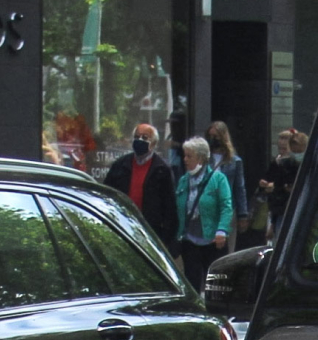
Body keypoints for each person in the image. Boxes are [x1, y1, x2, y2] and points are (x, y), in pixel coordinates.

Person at [101, 123, 179, 249]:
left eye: (145, 137)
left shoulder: (162, 170)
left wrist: (165, 242)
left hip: (150, 232)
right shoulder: (120, 165)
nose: (140, 140)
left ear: (153, 143)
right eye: (137, 137)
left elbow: (170, 208)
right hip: (122, 227)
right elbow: (106, 194)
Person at [173, 135, 232, 289]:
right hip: (189, 240)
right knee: (191, 281)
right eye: (184, 155)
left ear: (200, 158)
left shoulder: (218, 179)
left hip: (212, 240)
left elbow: (226, 206)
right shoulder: (183, 181)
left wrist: (222, 230)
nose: (185, 159)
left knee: (215, 284)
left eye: (189, 156)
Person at [258, 129, 305, 244]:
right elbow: (276, 194)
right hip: (281, 211)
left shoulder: (305, 164)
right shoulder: (278, 164)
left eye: (285, 149)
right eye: (280, 149)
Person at [205, 120, 248, 243]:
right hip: (208, 207)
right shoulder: (205, 159)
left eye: (216, 136)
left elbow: (240, 188)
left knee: (227, 244)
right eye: (210, 136)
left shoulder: (234, 161)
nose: (213, 140)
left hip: (228, 208)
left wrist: (242, 214)